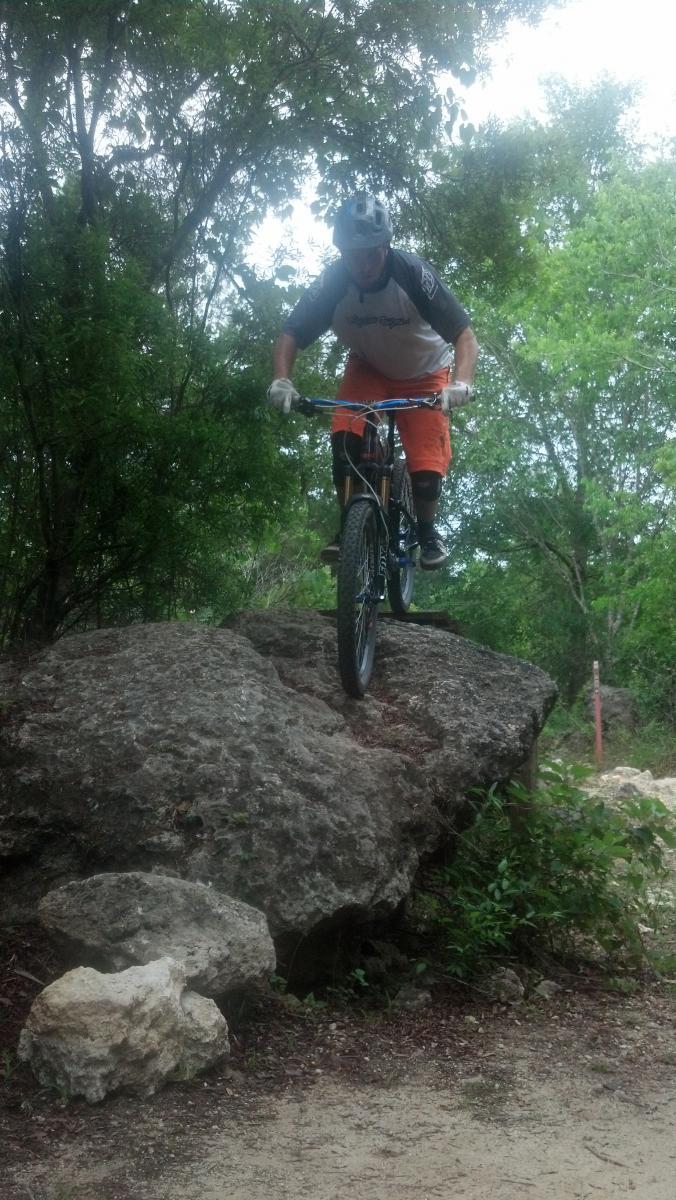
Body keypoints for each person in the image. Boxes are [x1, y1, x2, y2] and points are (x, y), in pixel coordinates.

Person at [267, 193, 479, 569]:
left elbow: (464, 335)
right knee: (344, 444)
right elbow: (291, 333)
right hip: (369, 368)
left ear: (386, 246)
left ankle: (427, 530)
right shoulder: (333, 282)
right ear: (342, 252)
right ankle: (349, 525)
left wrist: (461, 383)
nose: (363, 265)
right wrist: (282, 380)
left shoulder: (412, 274)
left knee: (426, 470)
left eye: (371, 254)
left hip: (425, 373)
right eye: (353, 256)